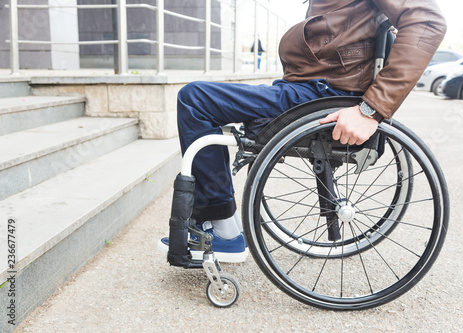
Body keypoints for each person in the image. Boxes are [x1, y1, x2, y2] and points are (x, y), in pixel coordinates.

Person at [159, 0, 447, 263]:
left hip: (319, 95)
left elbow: (427, 20)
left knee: (195, 99)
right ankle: (223, 225)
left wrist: (371, 109)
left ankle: (221, 227)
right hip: (310, 90)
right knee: (208, 101)